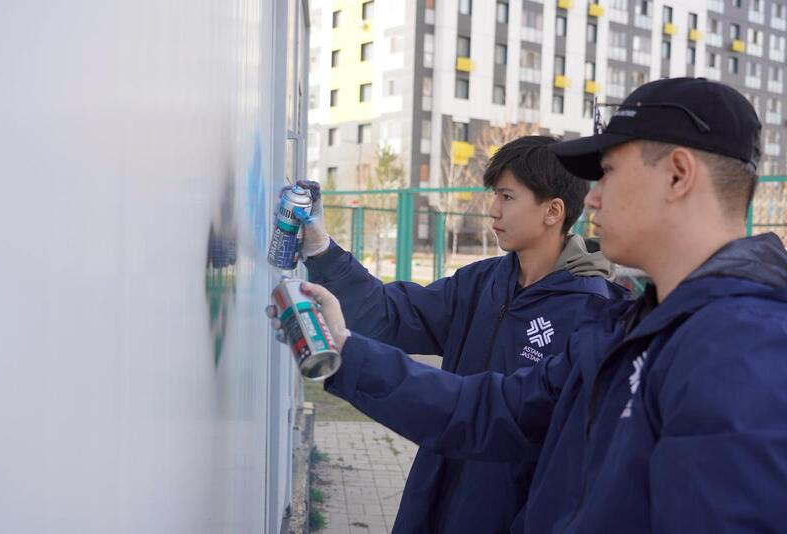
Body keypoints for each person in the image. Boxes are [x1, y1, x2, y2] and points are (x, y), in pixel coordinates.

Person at [271, 78, 787, 532]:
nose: (594, 198)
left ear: (678, 175)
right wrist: (342, 351)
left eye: (608, 172)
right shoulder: (629, 327)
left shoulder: (744, 351)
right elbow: (490, 411)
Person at [282, 136, 626, 533]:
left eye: (508, 197)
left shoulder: (591, 314)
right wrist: (322, 250)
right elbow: (391, 315)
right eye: (495, 195)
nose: (493, 209)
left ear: (553, 211)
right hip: (434, 498)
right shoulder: (483, 282)